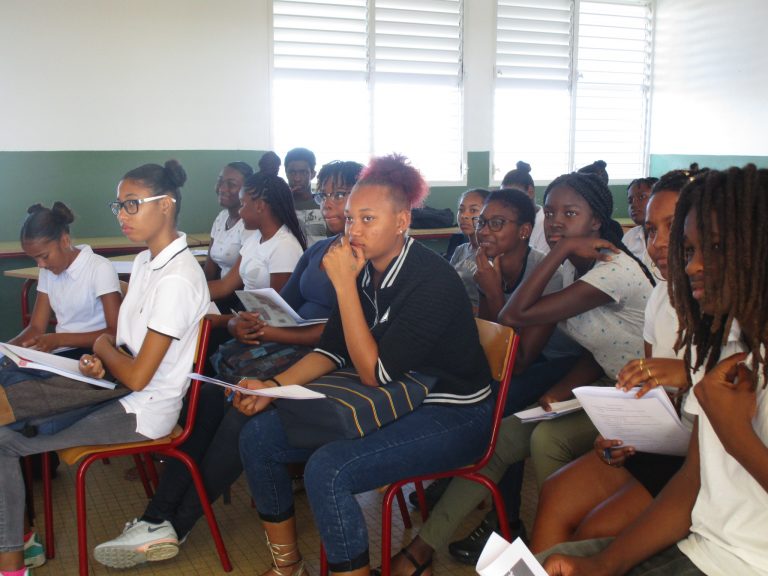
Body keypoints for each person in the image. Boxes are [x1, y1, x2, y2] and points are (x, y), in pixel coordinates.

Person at [92, 160, 364, 569]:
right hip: (285, 347)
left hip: (322, 362)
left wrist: (271, 334)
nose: (327, 203)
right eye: (324, 194)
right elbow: (284, 305)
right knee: (206, 396)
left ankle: (174, 522)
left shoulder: (362, 261)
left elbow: (339, 338)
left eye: (339, 195)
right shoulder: (320, 250)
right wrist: (250, 322)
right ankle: (157, 518)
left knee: (241, 416)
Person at [234, 154, 494, 576]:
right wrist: (273, 386)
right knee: (259, 436)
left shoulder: (432, 280)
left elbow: (375, 373)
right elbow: (333, 351)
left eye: (368, 219)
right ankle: (288, 567)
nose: (353, 230)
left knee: (329, 469)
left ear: (402, 221)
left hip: (454, 411)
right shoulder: (363, 269)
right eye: (351, 218)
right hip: (399, 395)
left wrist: (342, 285)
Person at [388, 171, 655, 574]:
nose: (557, 222)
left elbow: (514, 316)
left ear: (596, 221)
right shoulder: (573, 269)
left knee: (543, 437)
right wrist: (561, 390)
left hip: (644, 394)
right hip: (604, 383)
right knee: (504, 436)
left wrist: (558, 252)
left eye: (570, 213)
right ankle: (422, 550)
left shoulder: (609, 268)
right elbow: (599, 347)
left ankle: (557, 547)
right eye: (551, 212)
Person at [540, 165, 768, 576]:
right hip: (702, 543)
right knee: (546, 564)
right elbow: (694, 480)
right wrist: (603, 564)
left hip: (744, 563)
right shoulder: (721, 343)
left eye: (715, 247)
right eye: (689, 250)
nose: (692, 266)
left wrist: (734, 429)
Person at [0, 159, 210, 576]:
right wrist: (99, 359)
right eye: (119, 206)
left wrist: (100, 345)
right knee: (9, 421)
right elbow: (126, 345)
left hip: (142, 410)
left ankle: (11, 561)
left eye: (132, 204)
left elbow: (138, 375)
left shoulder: (177, 279)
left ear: (165, 204)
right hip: (116, 387)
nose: (122, 215)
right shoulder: (146, 262)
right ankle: (15, 547)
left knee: (6, 436)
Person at [529, 168, 700, 553]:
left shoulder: (732, 307)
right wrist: (626, 432)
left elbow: (734, 392)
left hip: (701, 456)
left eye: (673, 227)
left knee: (594, 529)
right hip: (668, 441)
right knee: (556, 494)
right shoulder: (663, 296)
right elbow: (657, 398)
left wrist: (687, 374)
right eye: (650, 230)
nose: (658, 243)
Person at [5, 201, 122, 570]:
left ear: (65, 240)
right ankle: (20, 532)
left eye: (44, 256)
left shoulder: (98, 268)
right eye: (35, 259)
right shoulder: (49, 272)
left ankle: (19, 539)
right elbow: (37, 327)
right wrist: (11, 348)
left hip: (92, 362)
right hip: (59, 357)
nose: (41, 265)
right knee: (7, 382)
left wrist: (58, 340)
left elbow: (115, 332)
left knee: (11, 408)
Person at [206, 172, 306, 338]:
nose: (240, 212)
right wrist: (190, 294)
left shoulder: (284, 246)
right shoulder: (254, 238)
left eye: (243, 204)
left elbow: (276, 313)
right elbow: (225, 285)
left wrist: (222, 321)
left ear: (259, 206)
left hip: (265, 329)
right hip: (246, 318)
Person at [203, 161, 255, 284]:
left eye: (231, 184)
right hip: (220, 288)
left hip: (238, 291)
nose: (222, 188)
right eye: (220, 181)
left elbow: (235, 283)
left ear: (247, 191)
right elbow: (209, 270)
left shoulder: (250, 225)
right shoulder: (221, 217)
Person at [448, 188, 490, 310]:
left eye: (473, 210)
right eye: (461, 210)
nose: (464, 216)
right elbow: (449, 285)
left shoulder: (492, 254)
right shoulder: (460, 250)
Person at [501, 161, 549, 254]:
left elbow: (540, 260)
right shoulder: (511, 221)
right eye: (504, 198)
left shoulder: (545, 223)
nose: (508, 204)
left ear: (530, 192)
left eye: (513, 197)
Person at [284, 147, 326, 246]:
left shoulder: (325, 205)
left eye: (303, 172)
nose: (297, 178)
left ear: (313, 174)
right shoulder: (280, 207)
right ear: (286, 173)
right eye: (292, 172)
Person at [621, 177, 658, 263]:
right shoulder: (630, 237)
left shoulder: (672, 237)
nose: (633, 205)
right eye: (630, 200)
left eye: (642, 197)